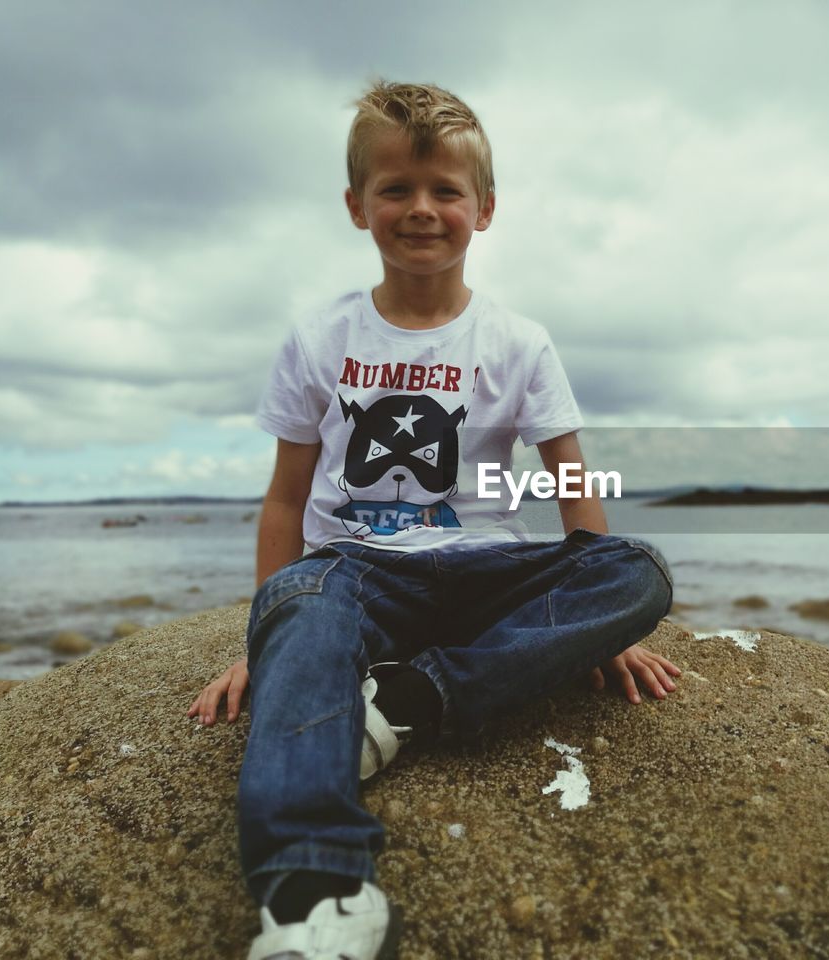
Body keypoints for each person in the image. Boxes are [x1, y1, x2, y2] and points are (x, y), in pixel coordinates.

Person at [184, 81, 678, 960]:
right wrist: (269, 632)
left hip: (489, 570)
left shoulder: (519, 342)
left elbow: (573, 482)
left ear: (483, 210)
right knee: (303, 608)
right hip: (357, 572)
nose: (422, 210)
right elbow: (286, 500)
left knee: (635, 571)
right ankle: (316, 892)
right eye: (396, 189)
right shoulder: (317, 338)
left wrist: (596, 631)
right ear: (356, 205)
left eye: (446, 190)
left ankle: (404, 705)